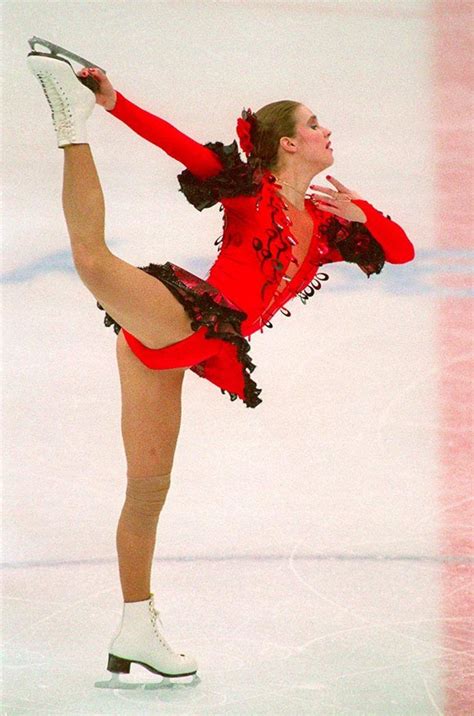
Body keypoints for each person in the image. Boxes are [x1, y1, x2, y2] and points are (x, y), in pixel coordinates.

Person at [26, 52, 415, 686]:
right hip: (184, 318)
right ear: (289, 143)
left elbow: (400, 252)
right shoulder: (249, 187)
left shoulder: (324, 229)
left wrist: (363, 213)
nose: (328, 131)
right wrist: (113, 103)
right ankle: (70, 126)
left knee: (148, 491)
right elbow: (179, 144)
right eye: (317, 124)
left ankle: (135, 626)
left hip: (177, 350)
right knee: (95, 264)